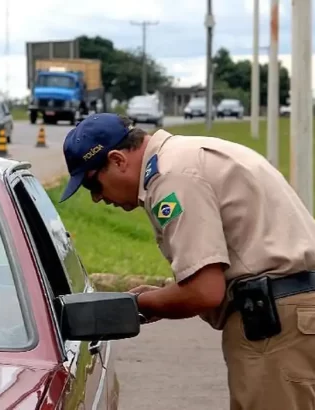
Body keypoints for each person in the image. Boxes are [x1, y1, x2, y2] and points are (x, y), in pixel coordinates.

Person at [59, 113, 315, 410]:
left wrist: (140, 305)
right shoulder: (187, 155)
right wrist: (165, 292)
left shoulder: (171, 177)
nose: (96, 199)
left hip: (276, 326)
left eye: (93, 185)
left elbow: (204, 292)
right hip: (293, 316)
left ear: (117, 160)